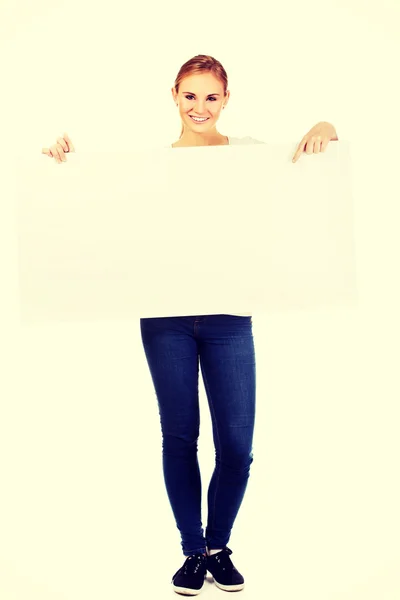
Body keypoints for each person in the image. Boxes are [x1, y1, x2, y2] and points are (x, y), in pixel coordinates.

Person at [42, 54, 339, 596]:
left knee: (237, 445)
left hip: (229, 318)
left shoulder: (248, 155)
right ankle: (192, 551)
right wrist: (69, 163)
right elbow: (103, 206)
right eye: (189, 95)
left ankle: (218, 545)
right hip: (166, 319)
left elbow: (317, 148)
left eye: (210, 96)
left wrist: (325, 127)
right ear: (174, 96)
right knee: (180, 436)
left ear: (226, 100)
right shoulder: (154, 165)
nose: (199, 106)